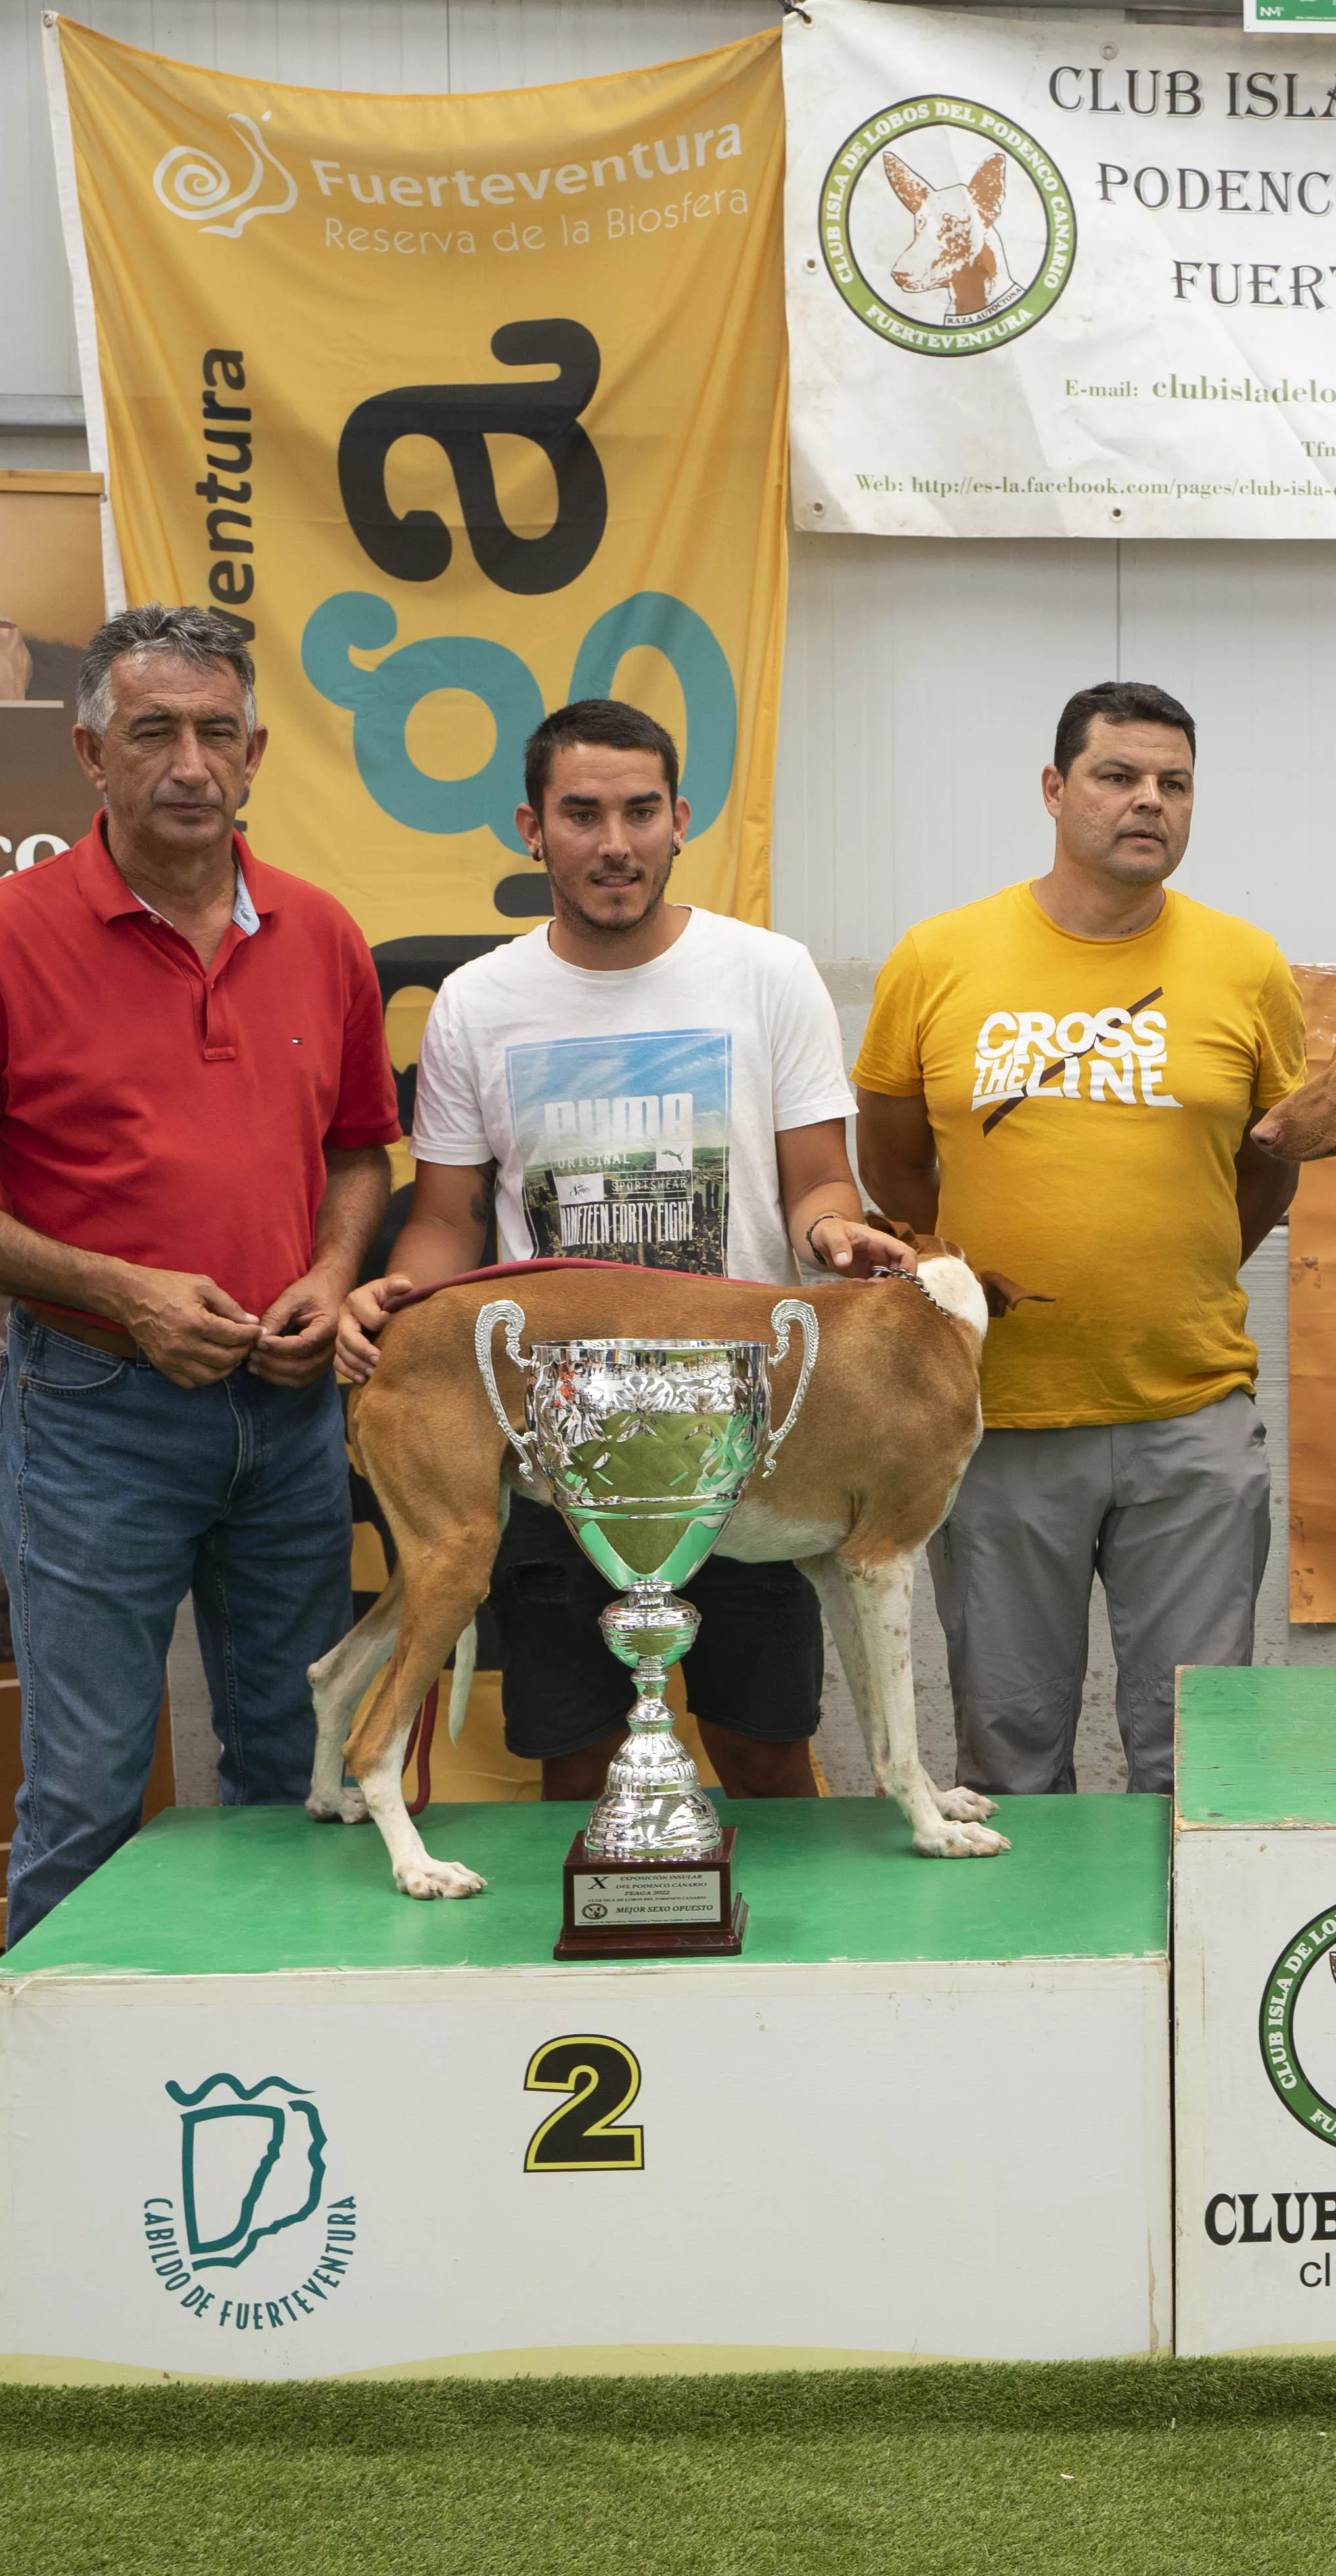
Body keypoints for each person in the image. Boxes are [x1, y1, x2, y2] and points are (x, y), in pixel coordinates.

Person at [0, 606, 398, 1942]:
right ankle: (70, 2125)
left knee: (301, 1768)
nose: (188, 762)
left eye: (217, 731)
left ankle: (296, 2058)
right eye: (151, 730)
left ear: (258, 750)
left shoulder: (325, 934)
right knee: (92, 1782)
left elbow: (357, 1154)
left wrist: (333, 1275)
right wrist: (124, 1291)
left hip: (289, 1418)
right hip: (95, 1410)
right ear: (89, 752)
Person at [334, 697, 914, 1810]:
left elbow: (817, 1183)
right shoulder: (474, 1004)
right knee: (581, 1771)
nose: (615, 843)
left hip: (744, 1450)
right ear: (530, 828)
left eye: (641, 811)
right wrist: (402, 1292)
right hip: (559, 1453)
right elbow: (451, 1220)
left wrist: (834, 1232)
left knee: (767, 1758)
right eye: (583, 813)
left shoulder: (770, 973)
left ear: (681, 820)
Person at [850, 682, 1303, 1799]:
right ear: (1056, 791)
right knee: (1007, 1754)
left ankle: (1181, 1979)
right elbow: (896, 1161)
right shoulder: (938, 956)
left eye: (1174, 783)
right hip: (998, 1419)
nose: (1147, 802)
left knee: (1198, 1763)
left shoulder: (1248, 966)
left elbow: (1273, 1159)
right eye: (1117, 776)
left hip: (1190, 1417)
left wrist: (1171, 1271)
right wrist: (958, 1288)